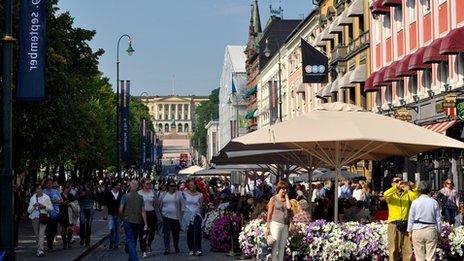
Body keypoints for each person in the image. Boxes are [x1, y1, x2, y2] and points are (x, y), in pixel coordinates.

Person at [384, 177, 419, 261]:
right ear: (392, 184)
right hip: (393, 225)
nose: (399, 182)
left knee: (408, 250)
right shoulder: (391, 195)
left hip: (405, 224)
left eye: (400, 181)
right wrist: (396, 187)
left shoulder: (407, 193)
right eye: (396, 181)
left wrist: (413, 187)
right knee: (393, 249)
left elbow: (416, 197)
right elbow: (386, 194)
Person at [407, 181, 441, 261]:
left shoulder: (415, 202)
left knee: (419, 257)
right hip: (430, 229)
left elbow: (411, 218)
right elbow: (438, 220)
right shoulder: (434, 202)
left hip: (417, 229)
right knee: (431, 257)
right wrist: (439, 232)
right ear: (429, 190)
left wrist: (409, 232)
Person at [120, 180, 148, 261]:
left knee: (130, 240)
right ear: (138, 187)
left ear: (130, 186)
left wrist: (121, 218)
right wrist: (145, 223)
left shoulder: (125, 196)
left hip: (127, 221)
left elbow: (120, 210)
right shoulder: (140, 198)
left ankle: (135, 259)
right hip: (138, 222)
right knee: (133, 241)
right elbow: (143, 211)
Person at [266, 181, 291, 261]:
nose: (285, 190)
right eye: (283, 188)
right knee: (275, 246)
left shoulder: (286, 199)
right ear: (279, 189)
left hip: (285, 225)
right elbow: (269, 214)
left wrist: (287, 197)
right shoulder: (273, 199)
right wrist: (268, 227)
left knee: (282, 246)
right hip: (275, 223)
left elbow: (289, 207)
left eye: (286, 189)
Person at [160, 180, 184, 255]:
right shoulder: (163, 194)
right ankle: (167, 248)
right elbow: (159, 204)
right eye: (171, 186)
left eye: (174, 186)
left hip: (176, 217)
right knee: (166, 233)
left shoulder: (179, 194)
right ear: (168, 186)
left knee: (175, 233)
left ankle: (176, 246)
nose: (173, 187)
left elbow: (182, 205)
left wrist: (182, 215)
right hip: (165, 216)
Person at [28, 184, 53, 257]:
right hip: (35, 217)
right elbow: (29, 211)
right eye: (37, 189)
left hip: (43, 217)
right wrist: (34, 206)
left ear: (42, 189)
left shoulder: (46, 197)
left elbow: (51, 208)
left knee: (41, 234)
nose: (39, 190)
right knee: (37, 235)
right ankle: (39, 248)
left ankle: (40, 250)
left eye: (40, 189)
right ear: (35, 190)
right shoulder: (33, 198)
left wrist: (44, 206)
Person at [182, 180, 204, 256]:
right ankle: (191, 248)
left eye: (192, 185)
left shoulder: (200, 194)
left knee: (198, 231)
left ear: (195, 186)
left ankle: (198, 249)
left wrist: (200, 213)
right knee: (190, 232)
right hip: (188, 214)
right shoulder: (185, 193)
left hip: (196, 214)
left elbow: (200, 204)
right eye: (189, 185)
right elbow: (183, 202)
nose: (190, 186)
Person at [138, 178, 158, 258]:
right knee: (143, 232)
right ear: (142, 184)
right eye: (147, 184)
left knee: (152, 231)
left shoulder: (153, 192)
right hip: (142, 213)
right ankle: (143, 250)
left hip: (151, 212)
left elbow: (156, 203)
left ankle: (149, 243)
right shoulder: (139, 193)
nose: (149, 185)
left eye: (150, 184)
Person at [43, 178, 62, 251]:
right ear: (46, 184)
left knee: (54, 229)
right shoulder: (44, 191)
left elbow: (61, 201)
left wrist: (56, 201)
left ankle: (51, 241)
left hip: (55, 213)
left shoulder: (56, 191)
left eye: (50, 183)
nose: (49, 185)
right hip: (46, 213)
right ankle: (49, 245)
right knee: (48, 230)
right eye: (48, 183)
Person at [105, 181, 123, 250]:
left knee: (117, 230)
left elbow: (123, 204)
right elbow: (105, 204)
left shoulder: (121, 194)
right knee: (111, 229)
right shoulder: (109, 193)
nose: (120, 186)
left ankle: (116, 244)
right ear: (114, 186)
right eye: (118, 185)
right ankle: (111, 242)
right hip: (110, 214)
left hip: (118, 214)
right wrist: (105, 214)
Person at [77, 180, 94, 247]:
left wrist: (95, 193)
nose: (89, 183)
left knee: (89, 226)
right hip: (82, 208)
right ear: (85, 183)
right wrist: (81, 195)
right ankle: (82, 239)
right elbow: (76, 197)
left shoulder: (92, 189)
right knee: (82, 224)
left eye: (90, 182)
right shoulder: (80, 189)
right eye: (88, 182)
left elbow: (97, 197)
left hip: (90, 209)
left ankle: (87, 241)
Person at [59, 184, 76, 249]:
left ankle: (68, 242)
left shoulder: (71, 195)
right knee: (63, 230)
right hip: (63, 214)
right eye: (66, 188)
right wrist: (63, 203)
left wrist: (70, 204)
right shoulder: (60, 195)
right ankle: (64, 243)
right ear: (64, 189)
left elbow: (75, 203)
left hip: (70, 214)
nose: (67, 190)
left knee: (70, 229)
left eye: (68, 188)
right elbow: (58, 204)